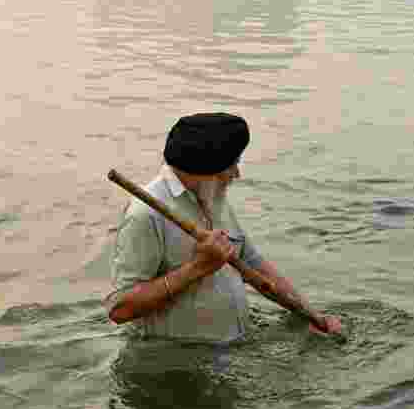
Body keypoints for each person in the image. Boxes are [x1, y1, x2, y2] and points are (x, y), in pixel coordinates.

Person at [105, 112, 342, 342]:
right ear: (205, 170)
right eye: (231, 165)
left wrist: (311, 316)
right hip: (178, 362)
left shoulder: (212, 197)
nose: (237, 173)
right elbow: (120, 310)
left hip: (230, 353)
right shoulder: (145, 215)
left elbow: (254, 264)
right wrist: (198, 267)